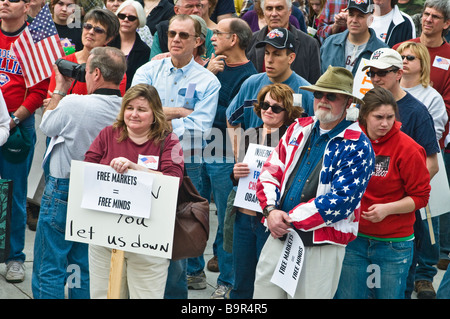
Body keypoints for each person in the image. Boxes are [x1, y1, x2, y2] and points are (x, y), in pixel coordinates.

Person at [253, 66, 375, 299]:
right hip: (280, 234)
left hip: (321, 246)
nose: (323, 100)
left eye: (332, 96)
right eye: (319, 94)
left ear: (348, 102)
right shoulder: (298, 127)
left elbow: (341, 201)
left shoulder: (358, 144)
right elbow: (270, 171)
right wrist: (270, 211)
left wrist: (286, 219)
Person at [131, 14, 220, 299]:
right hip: (142, 160)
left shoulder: (208, 81)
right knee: (137, 235)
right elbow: (132, 114)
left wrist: (154, 119)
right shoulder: (147, 72)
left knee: (174, 245)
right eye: (172, 34)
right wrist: (180, 112)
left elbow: (200, 130)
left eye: (184, 35)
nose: (176, 40)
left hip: (185, 165)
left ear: (198, 41)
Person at [32, 47, 127, 299]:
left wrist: (61, 88)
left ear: (96, 73)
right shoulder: (128, 111)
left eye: (85, 71)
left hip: (64, 187)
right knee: (83, 267)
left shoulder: (75, 103)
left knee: (49, 265)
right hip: (102, 192)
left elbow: (47, 125)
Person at [84, 83, 184, 299]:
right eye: (129, 108)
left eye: (142, 109)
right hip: (105, 236)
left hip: (147, 241)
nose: (134, 114)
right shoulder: (108, 134)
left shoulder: (169, 141)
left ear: (154, 113)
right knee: (103, 294)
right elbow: (87, 170)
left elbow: (174, 181)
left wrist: (135, 168)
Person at [335, 87, 431, 299]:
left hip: (393, 244)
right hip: (353, 238)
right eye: (378, 117)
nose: (385, 123)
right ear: (364, 115)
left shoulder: (409, 149)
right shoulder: (348, 140)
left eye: (389, 117)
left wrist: (388, 209)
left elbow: (421, 196)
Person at [189, 17, 257, 298]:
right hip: (194, 147)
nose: (212, 37)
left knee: (226, 218)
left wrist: (211, 81)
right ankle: (192, 271)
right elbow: (188, 103)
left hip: (224, 153)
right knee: (190, 210)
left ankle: (227, 280)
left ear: (234, 39)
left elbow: (232, 116)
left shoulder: (250, 76)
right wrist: (206, 72)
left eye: (218, 33)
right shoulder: (208, 66)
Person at [393, 1, 450, 283]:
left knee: (428, 220)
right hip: (390, 170)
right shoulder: (387, 92)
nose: (404, 60)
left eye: (410, 58)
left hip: (425, 165)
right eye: (401, 57)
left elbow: (435, 135)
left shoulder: (431, 97)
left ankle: (425, 274)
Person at [230, 83, 303, 299]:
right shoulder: (250, 134)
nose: (268, 110)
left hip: (268, 220)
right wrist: (235, 173)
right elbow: (238, 182)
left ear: (287, 112)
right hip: (243, 217)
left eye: (276, 108)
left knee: (266, 283)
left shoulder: (291, 140)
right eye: (265, 104)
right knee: (241, 282)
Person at [0, 0, 49, 283]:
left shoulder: (35, 40)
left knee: (14, 194)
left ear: (26, 6)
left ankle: (15, 257)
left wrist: (11, 120)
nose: (5, 2)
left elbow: (39, 90)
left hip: (17, 124)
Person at [227, 27, 314, 133]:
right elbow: (231, 118)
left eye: (276, 54)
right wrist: (239, 149)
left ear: (291, 58)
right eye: (267, 53)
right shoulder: (251, 84)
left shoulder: (306, 92)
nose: (269, 60)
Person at [47, 8, 127, 97]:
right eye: (87, 26)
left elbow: (112, 105)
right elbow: (51, 105)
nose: (91, 32)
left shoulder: (115, 67)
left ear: (109, 39)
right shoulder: (63, 63)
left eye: (98, 30)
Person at [246, 0, 321, 84]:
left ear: (290, 11)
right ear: (263, 12)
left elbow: (314, 84)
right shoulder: (250, 41)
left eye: (279, 8)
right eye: (269, 8)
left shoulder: (309, 44)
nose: (274, 14)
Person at [320, 0, 388, 75]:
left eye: (360, 16)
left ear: (371, 20)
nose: (354, 20)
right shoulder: (330, 43)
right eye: (351, 15)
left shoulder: (381, 51)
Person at [150, 0, 215, 60]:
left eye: (198, 6)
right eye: (189, 6)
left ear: (198, 41)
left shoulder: (211, 35)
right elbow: (152, 67)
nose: (196, 10)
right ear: (177, 10)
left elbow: (215, 63)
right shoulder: (162, 31)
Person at [109, 0, 151, 90]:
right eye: (122, 16)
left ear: (139, 21)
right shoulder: (106, 42)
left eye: (131, 18)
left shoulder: (144, 51)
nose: (126, 20)